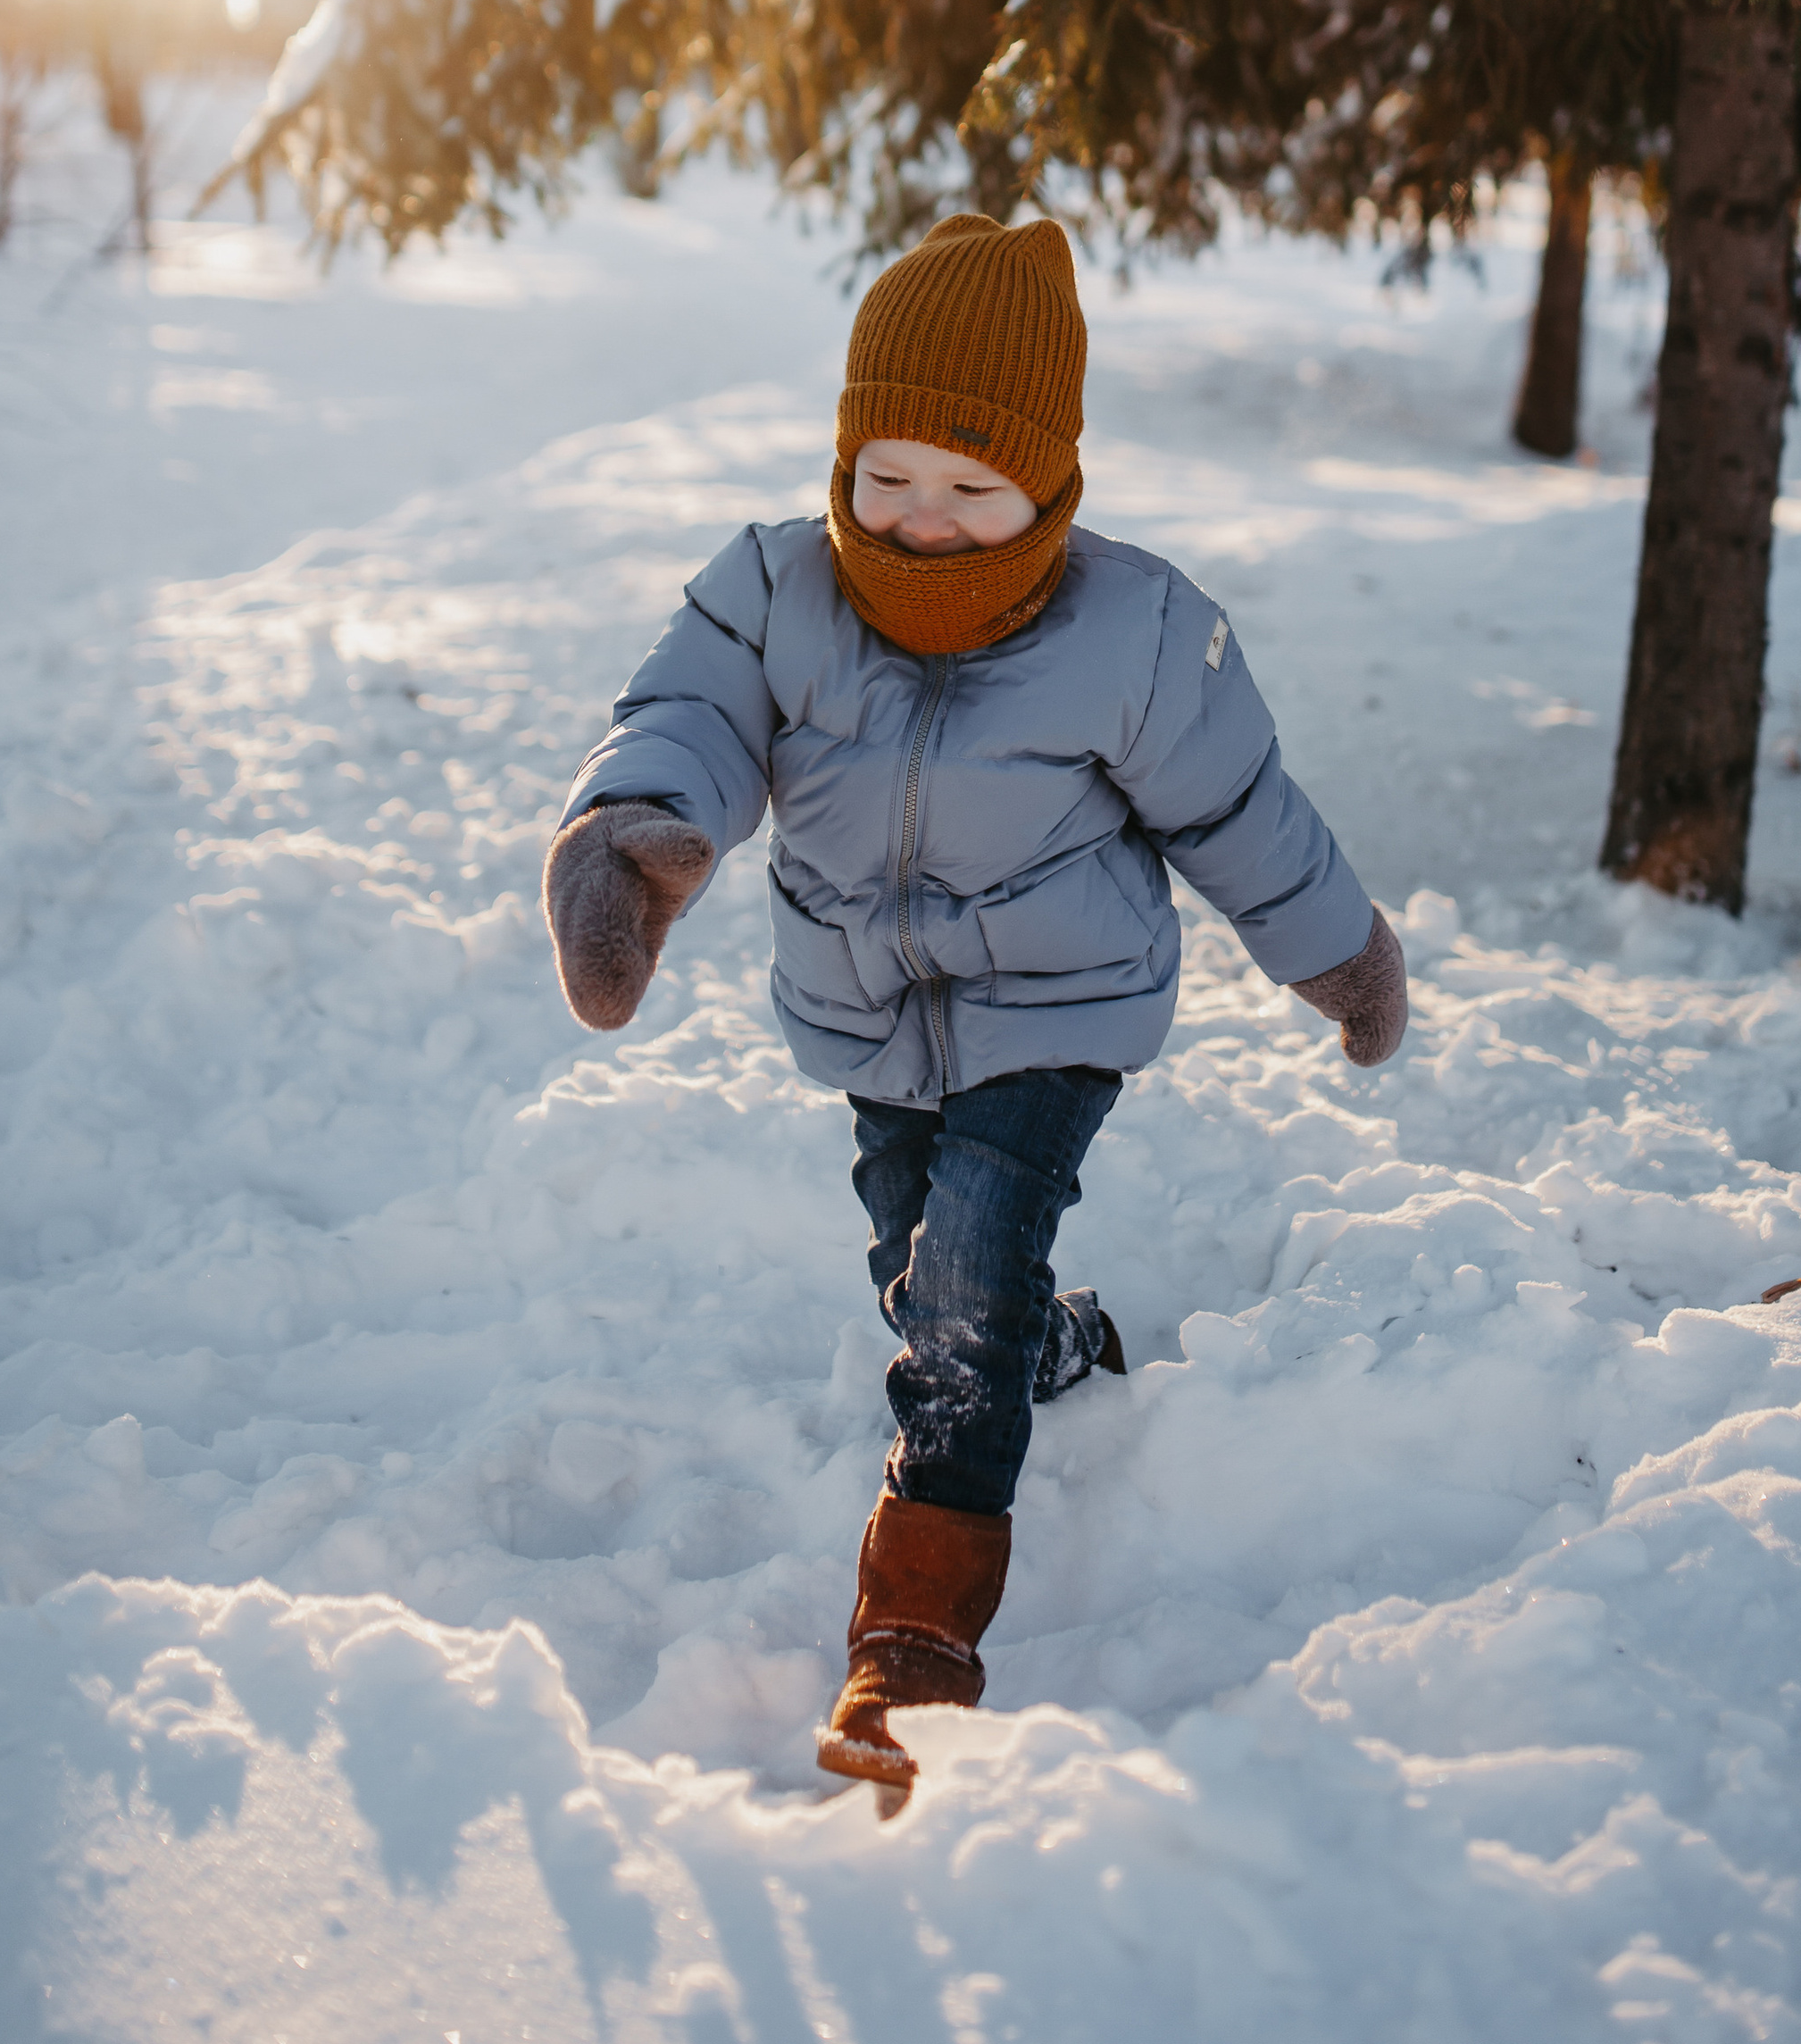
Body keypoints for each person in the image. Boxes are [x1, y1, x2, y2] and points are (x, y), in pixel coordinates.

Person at [542, 213, 1405, 1797]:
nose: (922, 522)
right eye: (888, 478)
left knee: (958, 1285)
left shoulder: (1132, 631)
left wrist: (1340, 954)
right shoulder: (774, 592)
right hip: (873, 1010)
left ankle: (915, 1645)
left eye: (970, 487)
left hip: (1057, 1011)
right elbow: (685, 716)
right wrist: (630, 847)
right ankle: (1040, 1347)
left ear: (1051, 485)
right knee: (924, 1280)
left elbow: (1240, 814)